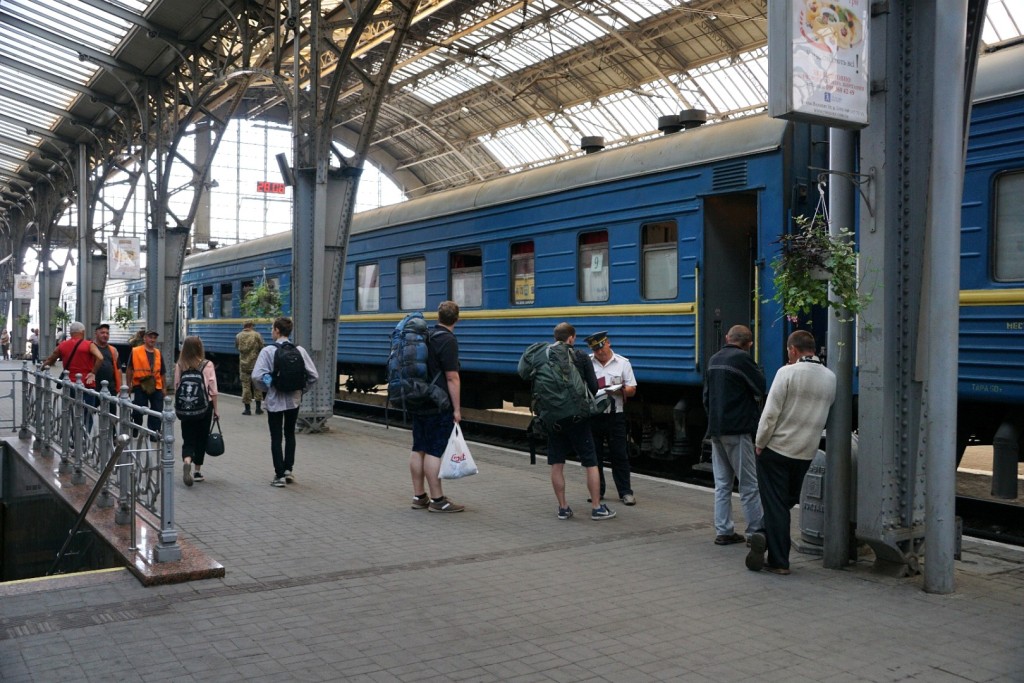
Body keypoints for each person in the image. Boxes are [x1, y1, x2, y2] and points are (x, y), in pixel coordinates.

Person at [747, 330, 836, 575]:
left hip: (777, 449)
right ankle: (766, 533)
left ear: (793, 350)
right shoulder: (830, 378)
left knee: (775, 503)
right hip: (806, 452)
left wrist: (760, 442)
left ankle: (778, 560)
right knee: (785, 501)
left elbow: (770, 414)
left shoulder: (787, 373)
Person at [544, 322, 615, 521]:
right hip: (578, 418)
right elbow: (593, 388)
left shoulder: (545, 356)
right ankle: (596, 507)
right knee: (590, 462)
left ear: (555, 337)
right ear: (572, 338)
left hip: (554, 418)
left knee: (557, 464)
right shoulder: (581, 356)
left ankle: (563, 508)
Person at [703, 324, 766, 546]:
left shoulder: (713, 359)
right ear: (748, 344)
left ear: (728, 338)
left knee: (722, 484)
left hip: (716, 430)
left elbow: (706, 397)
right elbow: (760, 387)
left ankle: (724, 531)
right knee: (749, 484)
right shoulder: (742, 360)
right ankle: (755, 532)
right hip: (738, 429)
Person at [407, 301, 465, 512]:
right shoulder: (448, 340)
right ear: (457, 319)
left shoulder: (426, 337)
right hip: (437, 402)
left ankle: (419, 496)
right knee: (434, 450)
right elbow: (452, 378)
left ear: (438, 316)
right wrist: (457, 409)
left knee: (418, 448)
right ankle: (438, 500)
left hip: (419, 397)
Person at [252, 317, 319, 488]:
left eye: (272, 328)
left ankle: (279, 475)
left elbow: (256, 376)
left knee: (276, 437)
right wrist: (302, 390)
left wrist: (268, 388)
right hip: (294, 400)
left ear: (277, 330)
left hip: (275, 400)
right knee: (290, 434)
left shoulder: (268, 351)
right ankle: (288, 470)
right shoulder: (300, 350)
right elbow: (314, 376)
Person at [585, 330, 638, 505]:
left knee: (619, 455)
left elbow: (632, 389)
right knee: (595, 456)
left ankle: (625, 492)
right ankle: (597, 492)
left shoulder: (623, 363)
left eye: (602, 347)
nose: (600, 352)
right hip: (594, 416)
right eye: (596, 349)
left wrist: (621, 390)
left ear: (608, 343)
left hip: (615, 415)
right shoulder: (588, 363)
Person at [41, 321, 104, 433]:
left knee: (70, 412)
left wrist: (41, 368)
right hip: (87, 384)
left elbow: (51, 360)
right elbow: (100, 357)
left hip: (69, 384)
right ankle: (84, 439)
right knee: (88, 412)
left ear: (71, 333)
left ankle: (71, 438)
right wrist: (93, 373)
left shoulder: (63, 345)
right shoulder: (89, 345)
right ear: (83, 332)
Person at [174, 336, 218, 486]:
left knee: (188, 438)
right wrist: (216, 411)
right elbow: (213, 391)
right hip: (205, 407)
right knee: (201, 438)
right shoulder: (208, 364)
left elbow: (176, 387)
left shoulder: (180, 364)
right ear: (200, 347)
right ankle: (197, 471)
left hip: (186, 408)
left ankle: (187, 460)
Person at [126, 330, 166, 439]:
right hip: (140, 384)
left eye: (154, 338)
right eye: (150, 337)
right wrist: (128, 385)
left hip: (156, 384)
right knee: (139, 409)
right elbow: (129, 369)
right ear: (144, 338)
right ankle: (136, 427)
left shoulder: (158, 353)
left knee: (157, 410)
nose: (152, 340)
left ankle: (154, 433)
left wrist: (164, 388)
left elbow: (162, 372)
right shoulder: (136, 351)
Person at [235, 320, 265, 415]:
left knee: (245, 386)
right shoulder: (256, 335)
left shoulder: (238, 336)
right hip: (255, 364)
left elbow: (236, 347)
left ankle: (247, 409)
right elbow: (262, 346)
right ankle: (258, 408)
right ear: (251, 325)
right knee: (257, 386)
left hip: (243, 365)